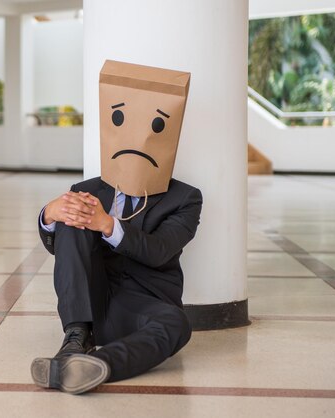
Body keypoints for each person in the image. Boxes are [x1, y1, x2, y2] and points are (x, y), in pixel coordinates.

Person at [30, 60, 203, 395]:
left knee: (178, 324)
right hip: (91, 302)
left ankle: (97, 365)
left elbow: (160, 251)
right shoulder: (89, 189)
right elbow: (63, 245)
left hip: (142, 305)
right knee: (72, 215)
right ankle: (75, 341)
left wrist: (108, 225)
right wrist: (49, 214)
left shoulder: (185, 198)